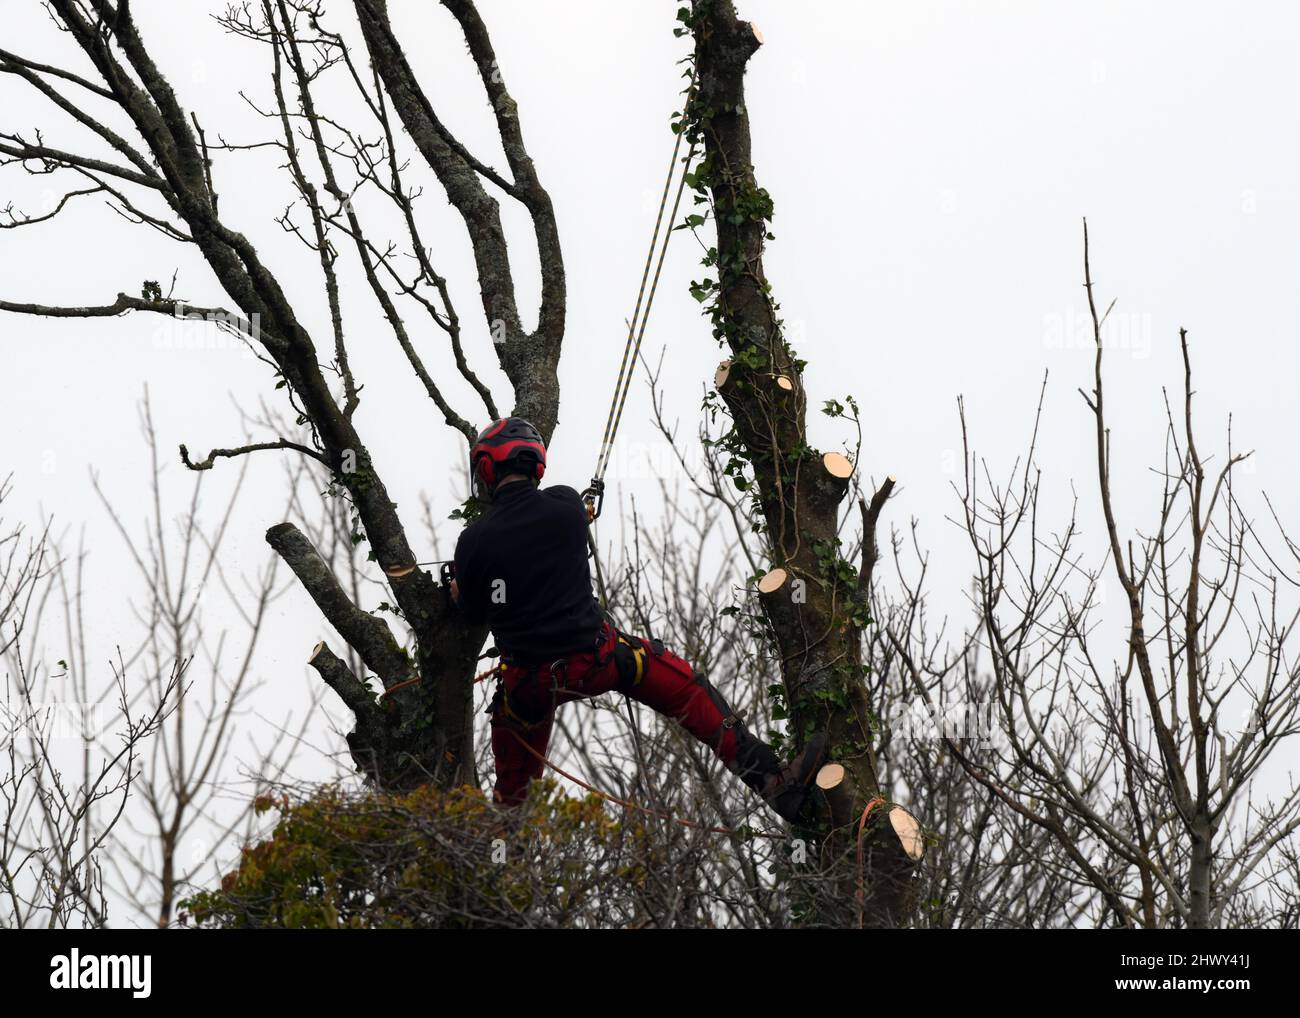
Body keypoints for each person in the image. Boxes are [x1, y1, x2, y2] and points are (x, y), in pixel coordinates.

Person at [451, 417, 828, 823]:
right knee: (689, 691)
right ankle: (774, 783)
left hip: (530, 686)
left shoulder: (474, 541)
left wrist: (458, 587)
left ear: (488, 469)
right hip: (597, 663)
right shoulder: (565, 508)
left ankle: (504, 857)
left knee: (513, 785)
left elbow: (472, 610)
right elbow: (563, 525)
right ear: (535, 465)